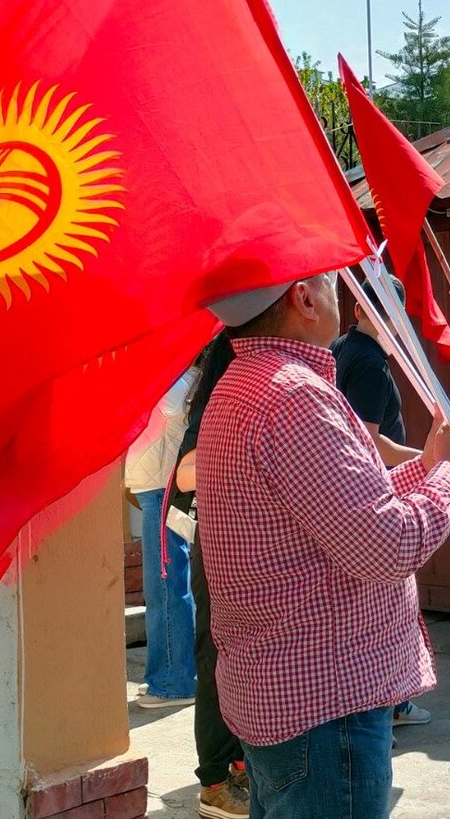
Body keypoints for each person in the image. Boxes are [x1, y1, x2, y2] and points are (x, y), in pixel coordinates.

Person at [195, 274, 450, 818]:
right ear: (303, 299)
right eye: (331, 284)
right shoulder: (294, 395)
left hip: (285, 694)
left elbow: (343, 512)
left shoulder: (246, 384)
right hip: (325, 707)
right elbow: (386, 545)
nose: (344, 297)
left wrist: (427, 467)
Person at [329, 273, 432, 728]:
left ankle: (394, 701)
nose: (391, 317)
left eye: (395, 308)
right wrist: (436, 460)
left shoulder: (342, 349)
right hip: (374, 498)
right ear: (359, 311)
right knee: (387, 610)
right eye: (381, 307)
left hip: (347, 497)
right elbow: (369, 444)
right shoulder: (368, 362)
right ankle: (387, 705)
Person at [170, 333, 249, 819]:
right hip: (219, 548)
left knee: (244, 660)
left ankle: (241, 766)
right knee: (216, 659)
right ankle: (216, 781)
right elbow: (184, 475)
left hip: (247, 555)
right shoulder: (218, 405)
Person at [126, 371, 198, 709]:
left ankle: (174, 681)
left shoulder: (179, 372)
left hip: (162, 487)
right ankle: (169, 673)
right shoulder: (175, 370)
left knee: (166, 586)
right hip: (151, 486)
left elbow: (170, 404)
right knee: (162, 587)